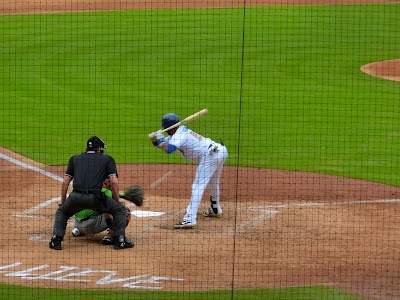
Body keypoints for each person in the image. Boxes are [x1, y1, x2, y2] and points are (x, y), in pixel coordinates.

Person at [49, 136, 134, 250]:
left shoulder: (74, 159)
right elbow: (113, 182)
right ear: (98, 149)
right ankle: (120, 240)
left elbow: (65, 182)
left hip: (76, 197)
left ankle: (56, 240)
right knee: (120, 210)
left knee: (62, 212)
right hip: (96, 198)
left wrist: (63, 202)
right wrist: (118, 200)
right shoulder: (107, 159)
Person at [149, 113, 228, 229]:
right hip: (219, 152)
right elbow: (164, 144)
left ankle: (189, 219)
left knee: (197, 186)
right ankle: (215, 208)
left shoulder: (180, 135)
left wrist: (160, 141)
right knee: (213, 183)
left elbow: (169, 149)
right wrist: (155, 140)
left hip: (210, 155)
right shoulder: (176, 134)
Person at [71, 179, 131, 245]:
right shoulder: (106, 192)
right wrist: (112, 228)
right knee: (123, 210)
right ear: (108, 181)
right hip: (89, 227)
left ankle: (78, 230)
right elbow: (106, 211)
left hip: (76, 224)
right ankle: (111, 236)